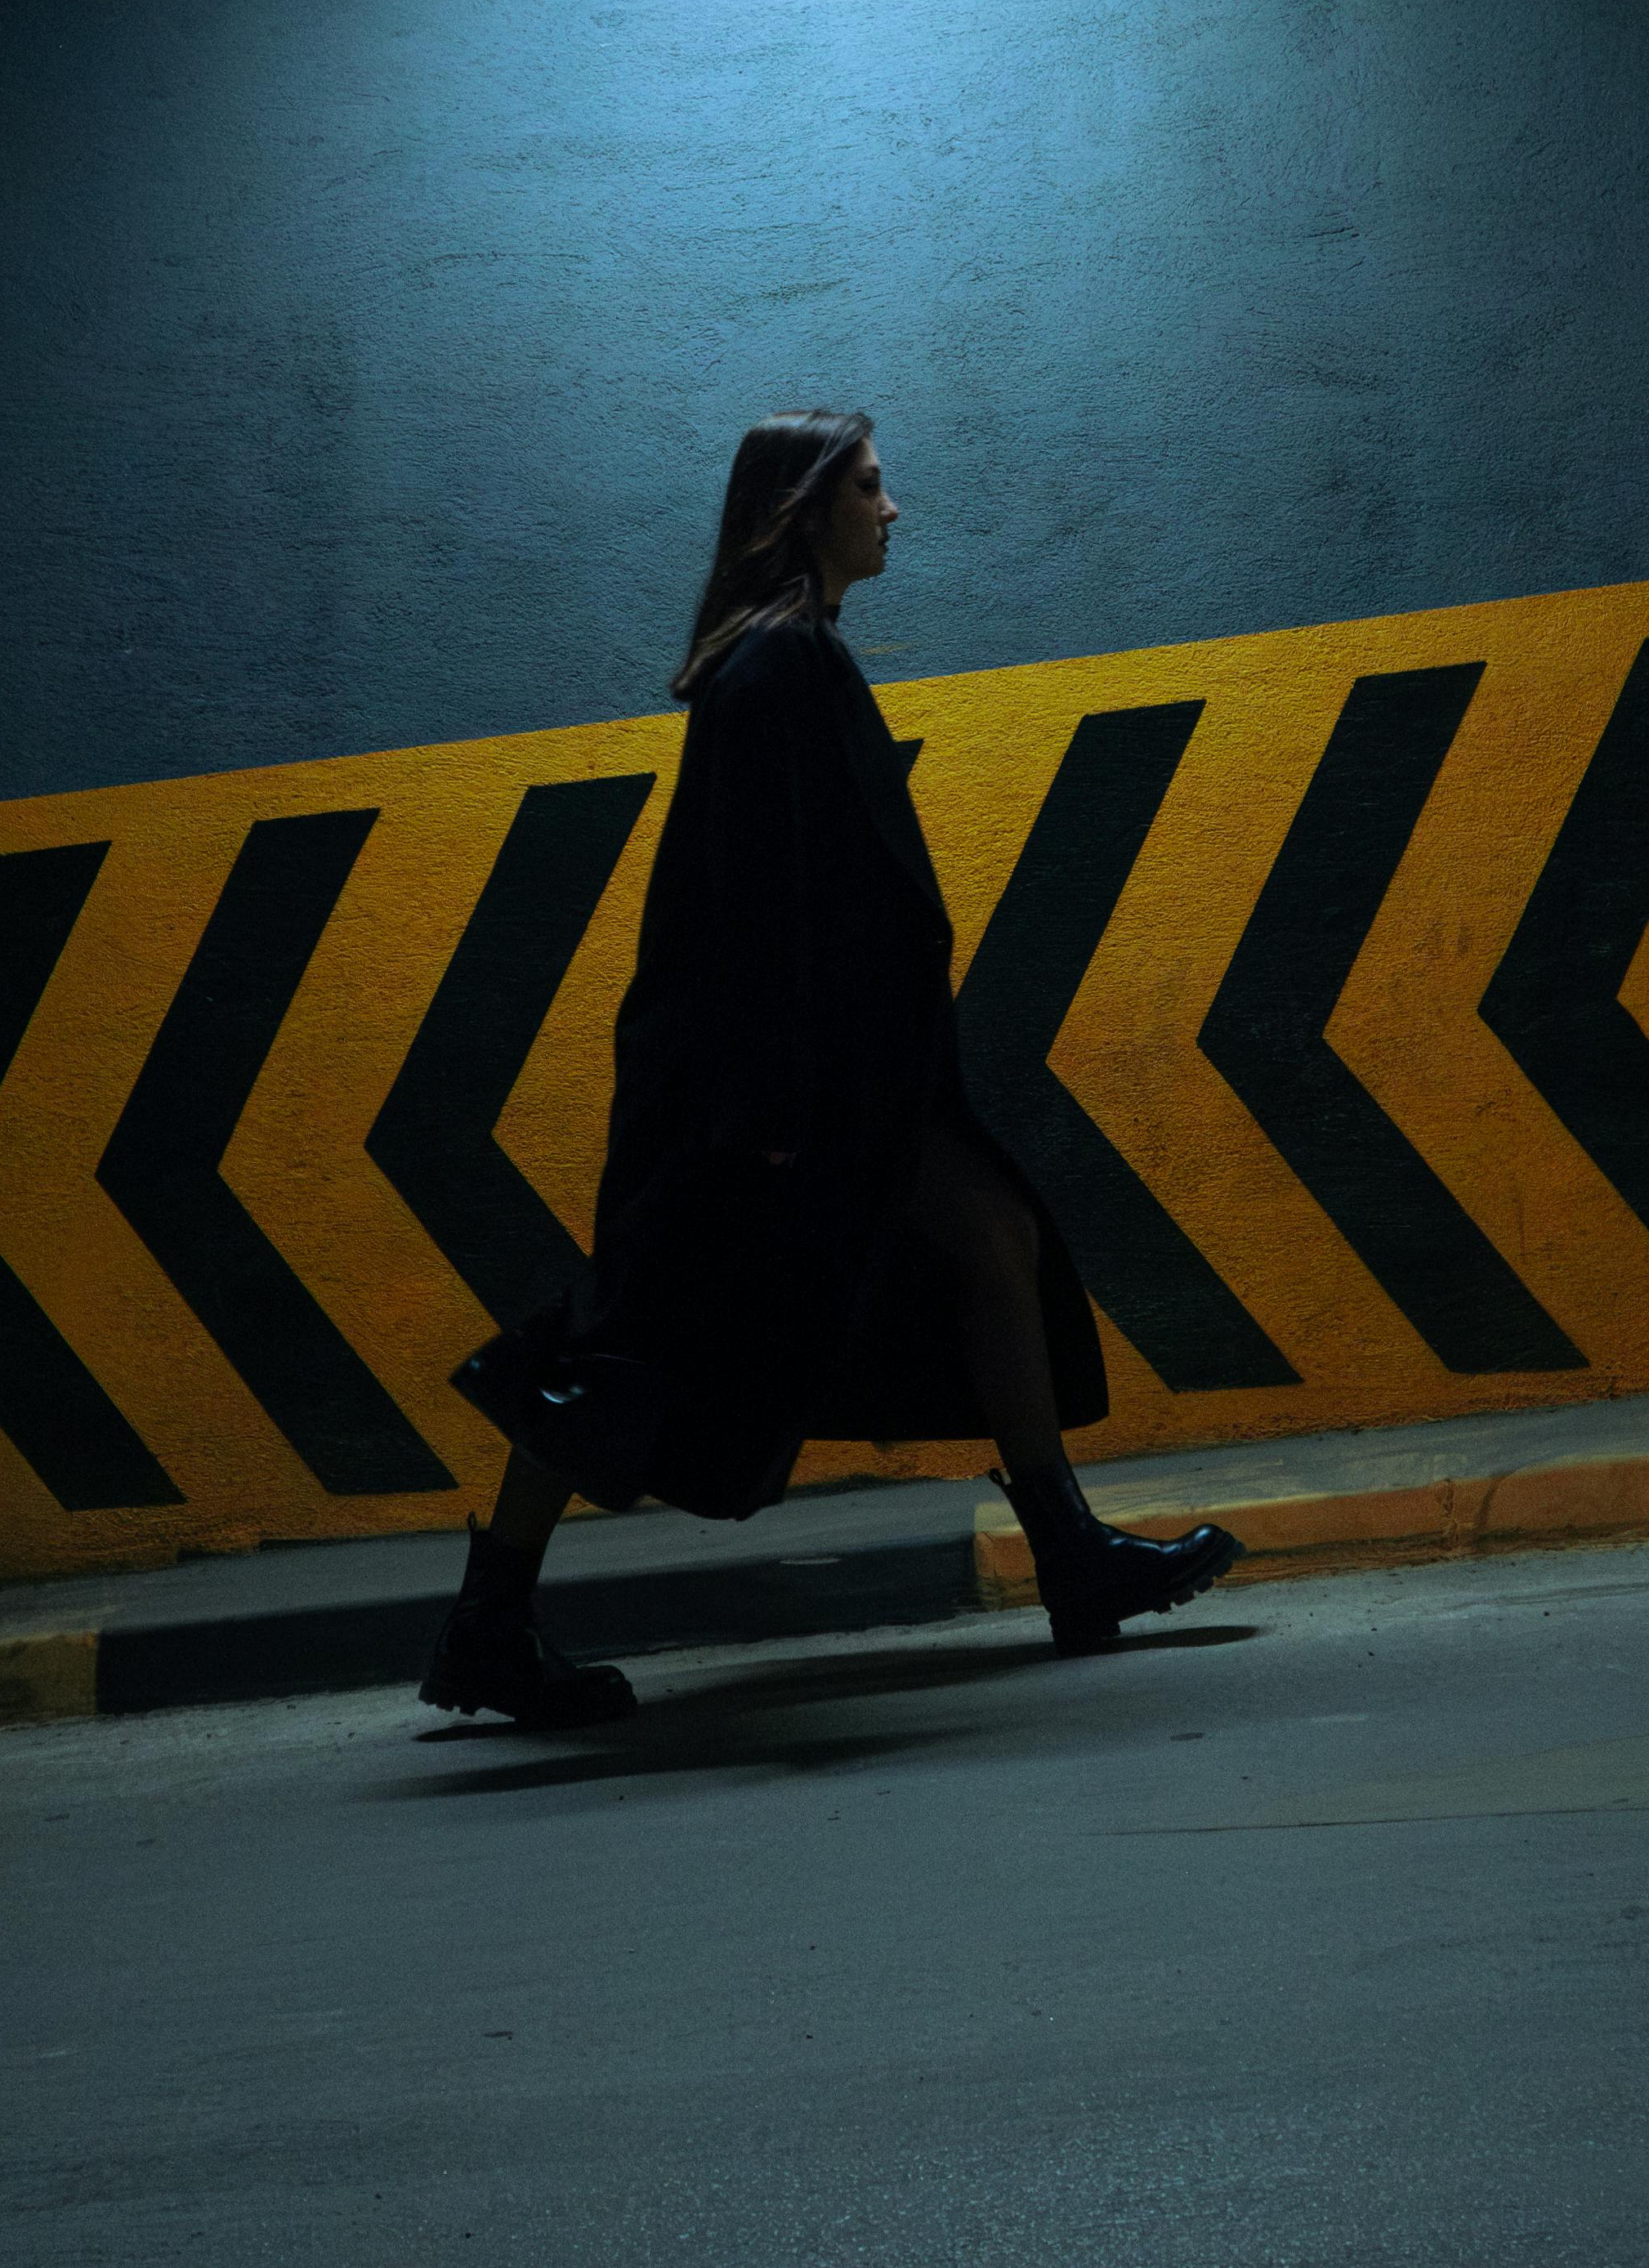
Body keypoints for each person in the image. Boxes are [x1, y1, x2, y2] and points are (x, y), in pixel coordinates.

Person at [421, 411, 1237, 1726]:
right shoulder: (777, 670)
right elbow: (758, 908)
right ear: (804, 509)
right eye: (869, 485)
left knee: (989, 1235)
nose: (893, 507)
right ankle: (488, 1622)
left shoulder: (789, 660)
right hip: (778, 1097)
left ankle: (1072, 1559)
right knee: (626, 1341)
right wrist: (773, 1111)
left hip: (837, 1084)